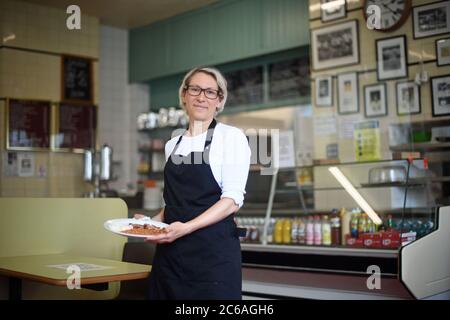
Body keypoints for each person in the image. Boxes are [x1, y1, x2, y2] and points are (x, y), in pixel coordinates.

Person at [137, 67, 251, 300]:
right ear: (184, 96)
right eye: (195, 90)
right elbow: (175, 204)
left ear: (219, 101)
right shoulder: (173, 144)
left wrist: (186, 227)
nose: (201, 97)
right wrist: (150, 223)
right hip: (170, 256)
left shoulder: (231, 137)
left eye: (210, 92)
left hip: (212, 256)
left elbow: (232, 201)